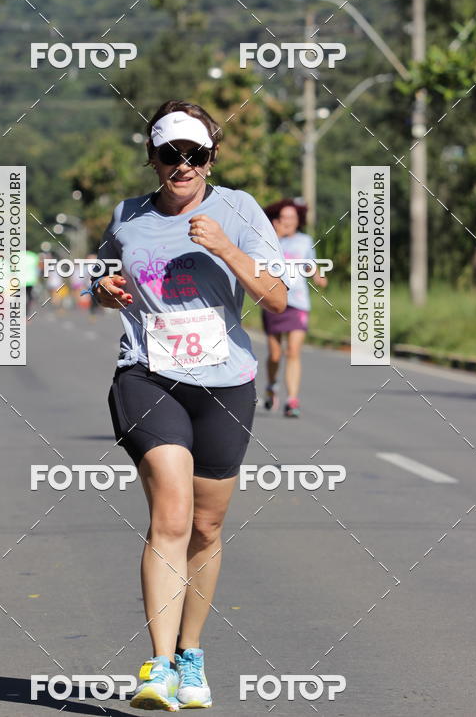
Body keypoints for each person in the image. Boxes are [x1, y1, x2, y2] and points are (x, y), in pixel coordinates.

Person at [90, 100, 290, 712]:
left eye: (194, 154)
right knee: (172, 517)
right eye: (170, 153)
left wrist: (228, 250)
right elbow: (101, 276)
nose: (182, 165)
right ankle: (157, 665)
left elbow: (278, 298)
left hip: (224, 384)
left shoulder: (238, 209)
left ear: (211, 156)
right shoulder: (128, 217)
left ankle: (190, 653)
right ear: (152, 157)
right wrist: (102, 289)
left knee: (206, 527)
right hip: (147, 376)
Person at [261, 199, 328, 418]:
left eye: (292, 218)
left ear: (298, 221)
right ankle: (272, 385)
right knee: (275, 354)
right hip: (272, 300)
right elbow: (260, 262)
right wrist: (275, 237)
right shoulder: (269, 240)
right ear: (277, 220)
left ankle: (292, 400)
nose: (288, 222)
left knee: (293, 352)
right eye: (284, 218)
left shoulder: (305, 241)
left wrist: (318, 276)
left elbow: (311, 263)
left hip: (298, 301)